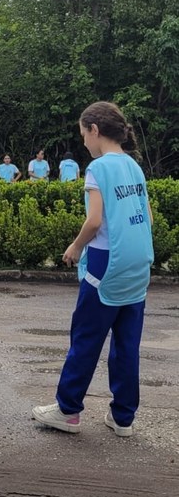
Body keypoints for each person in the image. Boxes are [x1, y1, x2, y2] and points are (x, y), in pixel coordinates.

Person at [32, 101, 154, 437]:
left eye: (83, 134)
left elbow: (95, 220)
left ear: (95, 130)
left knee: (85, 338)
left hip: (105, 263)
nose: (84, 141)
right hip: (137, 264)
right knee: (127, 344)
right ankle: (123, 418)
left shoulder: (98, 169)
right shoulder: (133, 166)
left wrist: (75, 246)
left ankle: (68, 410)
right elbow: (149, 218)